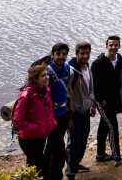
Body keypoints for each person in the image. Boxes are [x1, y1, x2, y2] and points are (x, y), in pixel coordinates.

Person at [13, 64, 58, 177]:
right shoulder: (26, 95)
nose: (47, 77)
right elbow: (18, 120)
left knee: (32, 165)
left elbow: (49, 110)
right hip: (28, 139)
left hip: (41, 136)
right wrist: (36, 128)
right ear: (35, 79)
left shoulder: (46, 90)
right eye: (43, 76)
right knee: (42, 168)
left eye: (47, 74)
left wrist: (52, 123)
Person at [91, 36, 122, 166]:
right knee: (112, 127)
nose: (113, 47)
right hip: (102, 102)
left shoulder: (119, 59)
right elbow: (94, 85)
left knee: (103, 126)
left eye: (116, 45)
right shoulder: (97, 63)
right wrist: (99, 101)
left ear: (119, 46)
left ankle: (100, 154)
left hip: (114, 100)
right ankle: (116, 156)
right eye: (111, 45)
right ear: (106, 45)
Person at [65, 42, 94, 180]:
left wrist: (92, 105)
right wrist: (69, 116)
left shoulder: (87, 66)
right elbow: (67, 94)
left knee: (83, 140)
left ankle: (76, 164)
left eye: (87, 53)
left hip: (85, 110)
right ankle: (70, 171)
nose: (85, 56)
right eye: (82, 53)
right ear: (76, 53)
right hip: (75, 113)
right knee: (73, 142)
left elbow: (90, 88)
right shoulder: (71, 70)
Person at [44, 43, 71, 180]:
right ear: (52, 54)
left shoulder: (67, 68)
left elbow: (68, 90)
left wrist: (69, 112)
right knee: (57, 148)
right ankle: (53, 175)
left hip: (64, 114)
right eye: (58, 54)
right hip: (51, 117)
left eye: (64, 54)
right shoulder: (47, 72)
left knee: (54, 146)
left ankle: (51, 174)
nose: (61, 57)